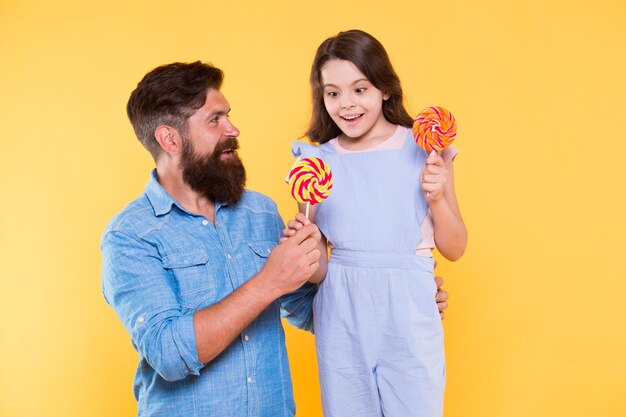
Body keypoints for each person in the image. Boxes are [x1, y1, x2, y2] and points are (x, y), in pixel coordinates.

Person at [101, 60, 451, 417]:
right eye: (215, 120)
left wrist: (395, 301)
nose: (233, 129)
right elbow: (168, 354)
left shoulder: (258, 212)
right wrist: (269, 281)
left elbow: (307, 307)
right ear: (170, 139)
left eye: (228, 116)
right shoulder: (131, 236)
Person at [285, 30, 467, 417]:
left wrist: (437, 195)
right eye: (332, 93)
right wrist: (305, 238)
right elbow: (317, 273)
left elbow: (454, 247)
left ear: (384, 88)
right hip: (342, 310)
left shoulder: (425, 150)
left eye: (359, 90)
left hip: (410, 307)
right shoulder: (316, 164)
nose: (346, 105)